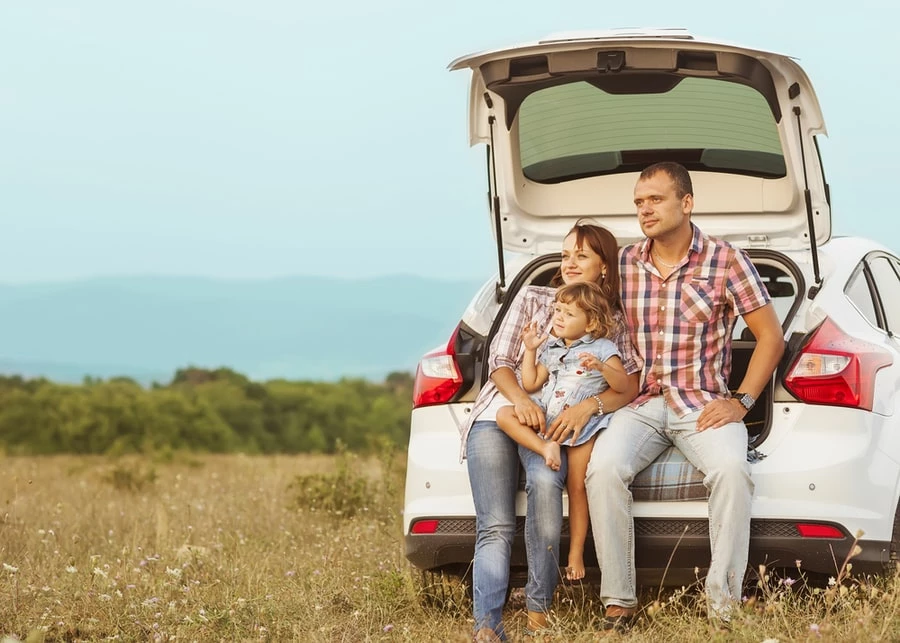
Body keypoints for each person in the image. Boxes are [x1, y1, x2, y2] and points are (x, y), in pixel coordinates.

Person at [585, 161, 785, 632]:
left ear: (687, 203)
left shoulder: (726, 259)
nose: (644, 210)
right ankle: (618, 604)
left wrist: (741, 402)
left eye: (655, 199)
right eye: (638, 202)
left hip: (703, 403)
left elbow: (770, 338)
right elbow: (578, 301)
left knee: (733, 471)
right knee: (604, 469)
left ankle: (723, 607)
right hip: (642, 403)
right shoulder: (625, 263)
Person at [461, 223, 642, 642]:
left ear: (603, 266)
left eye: (581, 255)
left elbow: (628, 386)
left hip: (552, 427)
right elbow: (500, 362)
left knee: (546, 486)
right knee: (495, 524)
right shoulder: (534, 297)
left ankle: (538, 614)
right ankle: (487, 628)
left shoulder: (611, 321)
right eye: (565, 255)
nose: (570, 263)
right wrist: (520, 400)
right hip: (501, 413)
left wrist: (589, 406)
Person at [496, 281, 631, 583]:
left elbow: (622, 385)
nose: (558, 317)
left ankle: (576, 552)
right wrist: (530, 350)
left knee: (577, 488)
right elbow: (530, 383)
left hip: (582, 428)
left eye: (568, 314)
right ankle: (544, 447)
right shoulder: (552, 347)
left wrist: (601, 367)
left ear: (591, 322)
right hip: (549, 418)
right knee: (504, 414)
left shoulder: (603, 348)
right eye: (557, 310)